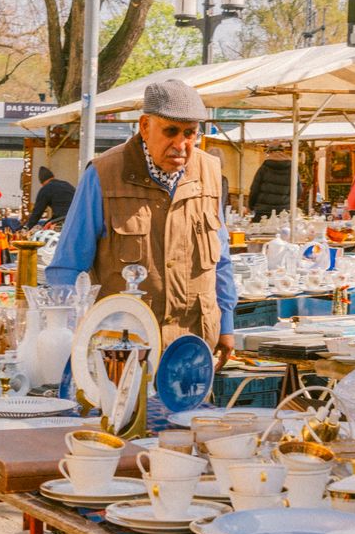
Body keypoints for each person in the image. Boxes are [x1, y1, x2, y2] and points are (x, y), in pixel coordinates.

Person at [47, 79, 237, 364]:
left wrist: (226, 325)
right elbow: (68, 268)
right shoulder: (103, 174)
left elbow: (221, 260)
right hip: (124, 350)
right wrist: (70, 341)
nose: (181, 144)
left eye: (190, 133)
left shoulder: (209, 172)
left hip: (194, 346)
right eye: (171, 131)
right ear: (145, 126)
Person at [246, 144, 293, 221]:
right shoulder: (292, 168)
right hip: (283, 213)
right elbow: (298, 191)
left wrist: (251, 206)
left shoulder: (264, 168)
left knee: (259, 232)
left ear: (270, 152)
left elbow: (254, 189)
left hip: (263, 212)